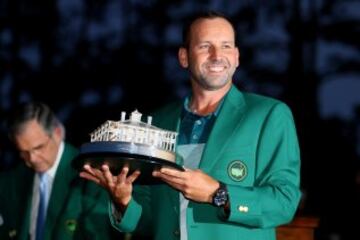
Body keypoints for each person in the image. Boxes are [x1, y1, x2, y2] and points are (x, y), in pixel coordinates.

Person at [80, 11, 301, 240]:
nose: (217, 55)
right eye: (205, 46)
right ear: (184, 57)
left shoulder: (269, 114)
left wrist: (218, 194)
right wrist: (123, 200)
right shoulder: (158, 122)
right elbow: (148, 223)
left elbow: (284, 202)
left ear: (236, 56)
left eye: (226, 46)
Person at [0, 102, 124, 240]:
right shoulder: (12, 179)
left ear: (57, 133)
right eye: (24, 152)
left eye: (39, 147)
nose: (32, 159)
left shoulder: (92, 175)